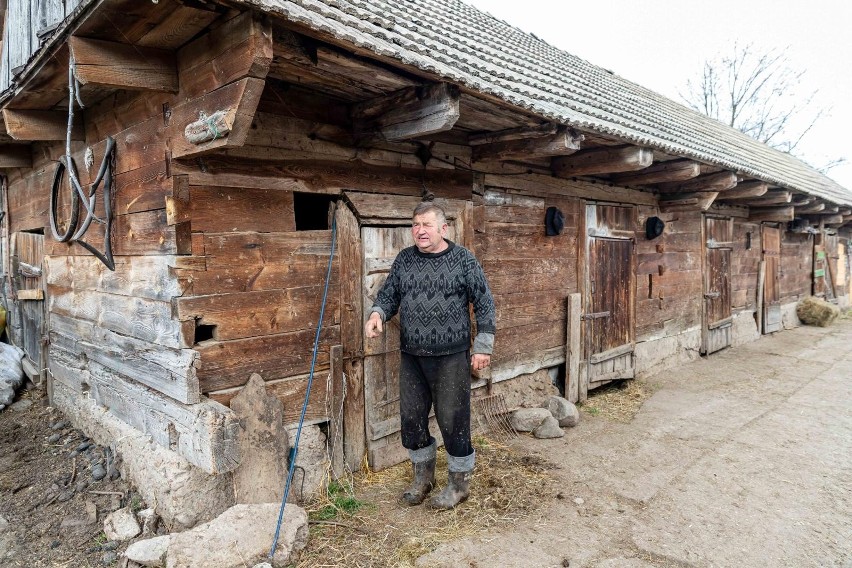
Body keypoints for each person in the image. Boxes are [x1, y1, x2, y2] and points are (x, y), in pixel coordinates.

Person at [365, 201, 496, 509]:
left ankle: (458, 484)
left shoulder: (463, 260)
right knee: (411, 419)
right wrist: (377, 314)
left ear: (443, 229)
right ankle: (424, 478)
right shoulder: (405, 260)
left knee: (453, 420)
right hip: (412, 355)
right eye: (415, 225)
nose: (420, 231)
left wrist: (483, 346)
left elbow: (485, 302)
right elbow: (388, 295)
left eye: (426, 225)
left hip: (451, 356)